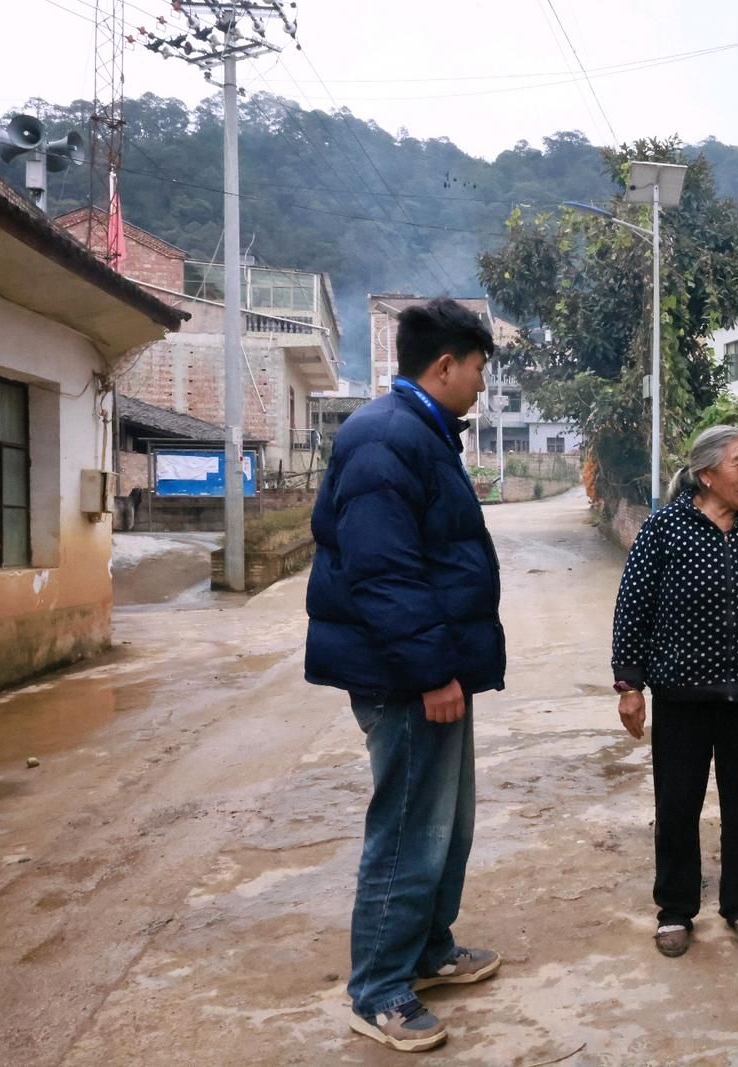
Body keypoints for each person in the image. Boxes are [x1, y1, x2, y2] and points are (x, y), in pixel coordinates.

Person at [305, 298, 505, 1053]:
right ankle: (379, 989)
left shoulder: (419, 433)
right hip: (405, 678)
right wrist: (430, 671)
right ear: (444, 365)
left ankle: (427, 950)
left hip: (433, 667)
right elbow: (384, 573)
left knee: (446, 824)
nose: (482, 383)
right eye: (478, 368)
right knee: (409, 830)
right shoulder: (385, 438)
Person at [611, 425, 738, 958]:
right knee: (677, 805)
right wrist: (629, 684)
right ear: (706, 474)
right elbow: (633, 608)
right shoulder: (664, 529)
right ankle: (675, 910)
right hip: (683, 695)